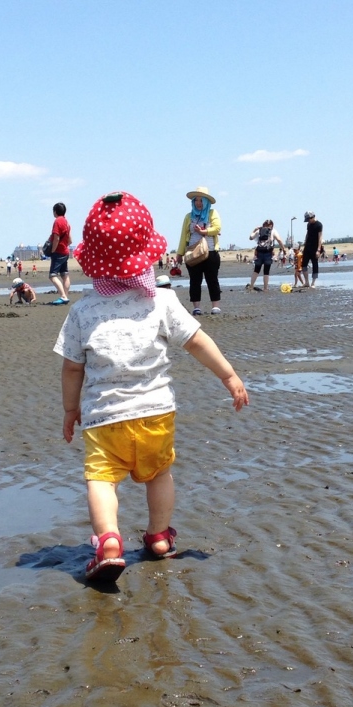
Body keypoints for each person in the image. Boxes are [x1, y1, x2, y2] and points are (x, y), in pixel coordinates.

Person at [56, 191, 248, 584]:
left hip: (104, 419)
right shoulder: (162, 301)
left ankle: (110, 541)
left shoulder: (82, 311)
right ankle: (159, 537)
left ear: (93, 261)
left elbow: (72, 368)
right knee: (159, 475)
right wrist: (228, 376)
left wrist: (70, 410)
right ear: (146, 253)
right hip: (156, 414)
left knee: (101, 480)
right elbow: (196, 341)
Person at [177, 186, 222, 315]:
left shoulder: (213, 213)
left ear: (206, 201)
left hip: (210, 251)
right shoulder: (188, 217)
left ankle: (215, 306)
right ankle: (196, 307)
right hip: (193, 253)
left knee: (212, 279)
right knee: (194, 280)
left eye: (201, 200)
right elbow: (183, 235)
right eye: (196, 200)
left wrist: (204, 231)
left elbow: (217, 228)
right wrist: (180, 253)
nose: (198, 203)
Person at [247, 219, 284, 291]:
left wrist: (254, 230)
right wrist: (283, 249)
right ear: (272, 225)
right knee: (266, 271)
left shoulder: (259, 230)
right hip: (268, 253)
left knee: (256, 270)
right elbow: (279, 240)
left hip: (259, 252)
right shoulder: (273, 231)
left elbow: (250, 238)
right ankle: (265, 288)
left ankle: (251, 286)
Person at [48, 201, 72, 304]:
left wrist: (52, 250)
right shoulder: (66, 222)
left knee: (52, 275)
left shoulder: (57, 221)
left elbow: (56, 238)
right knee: (64, 274)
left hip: (58, 252)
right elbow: (70, 240)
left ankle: (63, 296)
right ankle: (65, 296)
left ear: (55, 211)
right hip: (65, 251)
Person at [300, 211, 324, 287]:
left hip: (315, 247)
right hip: (307, 246)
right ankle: (306, 282)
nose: (308, 221)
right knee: (303, 264)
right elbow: (307, 234)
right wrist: (305, 243)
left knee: (315, 264)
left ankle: (313, 283)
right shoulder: (309, 224)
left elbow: (320, 237)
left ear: (312, 217)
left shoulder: (319, 225)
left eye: (309, 219)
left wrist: (318, 250)